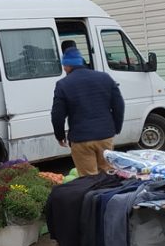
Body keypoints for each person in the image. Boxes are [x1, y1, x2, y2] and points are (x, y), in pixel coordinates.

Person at [50, 47, 125, 176]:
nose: (64, 69)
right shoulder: (105, 78)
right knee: (108, 175)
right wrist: (116, 128)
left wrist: (60, 135)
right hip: (105, 136)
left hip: (81, 139)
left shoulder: (63, 84)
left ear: (68, 65)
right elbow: (119, 105)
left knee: (88, 180)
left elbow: (57, 115)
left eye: (64, 65)